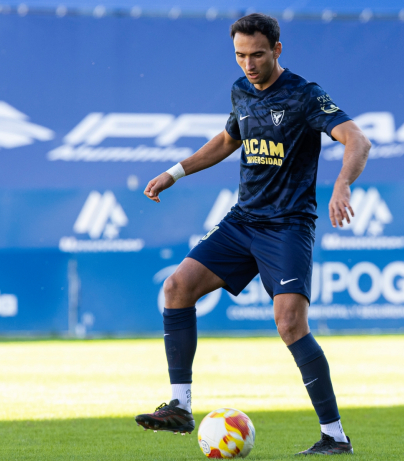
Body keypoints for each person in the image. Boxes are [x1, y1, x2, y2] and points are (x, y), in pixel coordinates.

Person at [135, 13, 370, 456]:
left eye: (257, 54)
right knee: (177, 287)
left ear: (277, 50)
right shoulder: (241, 91)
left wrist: (342, 185)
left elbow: (357, 139)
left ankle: (334, 436)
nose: (248, 64)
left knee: (289, 322)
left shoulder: (304, 95)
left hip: (287, 225)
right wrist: (175, 172)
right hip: (243, 220)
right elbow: (228, 141)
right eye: (240, 55)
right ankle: (180, 407)